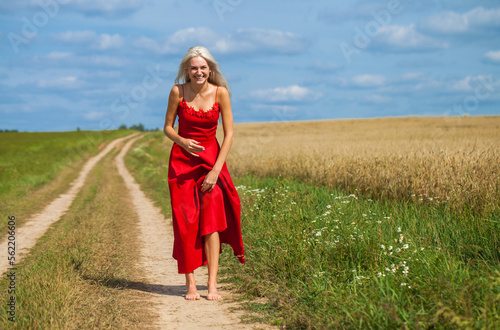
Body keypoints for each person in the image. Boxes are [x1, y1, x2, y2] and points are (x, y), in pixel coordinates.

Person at [163, 46, 245, 301]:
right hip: (182, 164)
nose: (198, 72)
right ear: (187, 70)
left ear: (210, 69)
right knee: (186, 221)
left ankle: (212, 284)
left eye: (203, 67)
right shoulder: (178, 91)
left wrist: (216, 171)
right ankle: (190, 283)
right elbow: (167, 127)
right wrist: (182, 141)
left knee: (212, 223)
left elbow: (229, 134)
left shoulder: (221, 93)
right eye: (193, 68)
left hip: (212, 164)